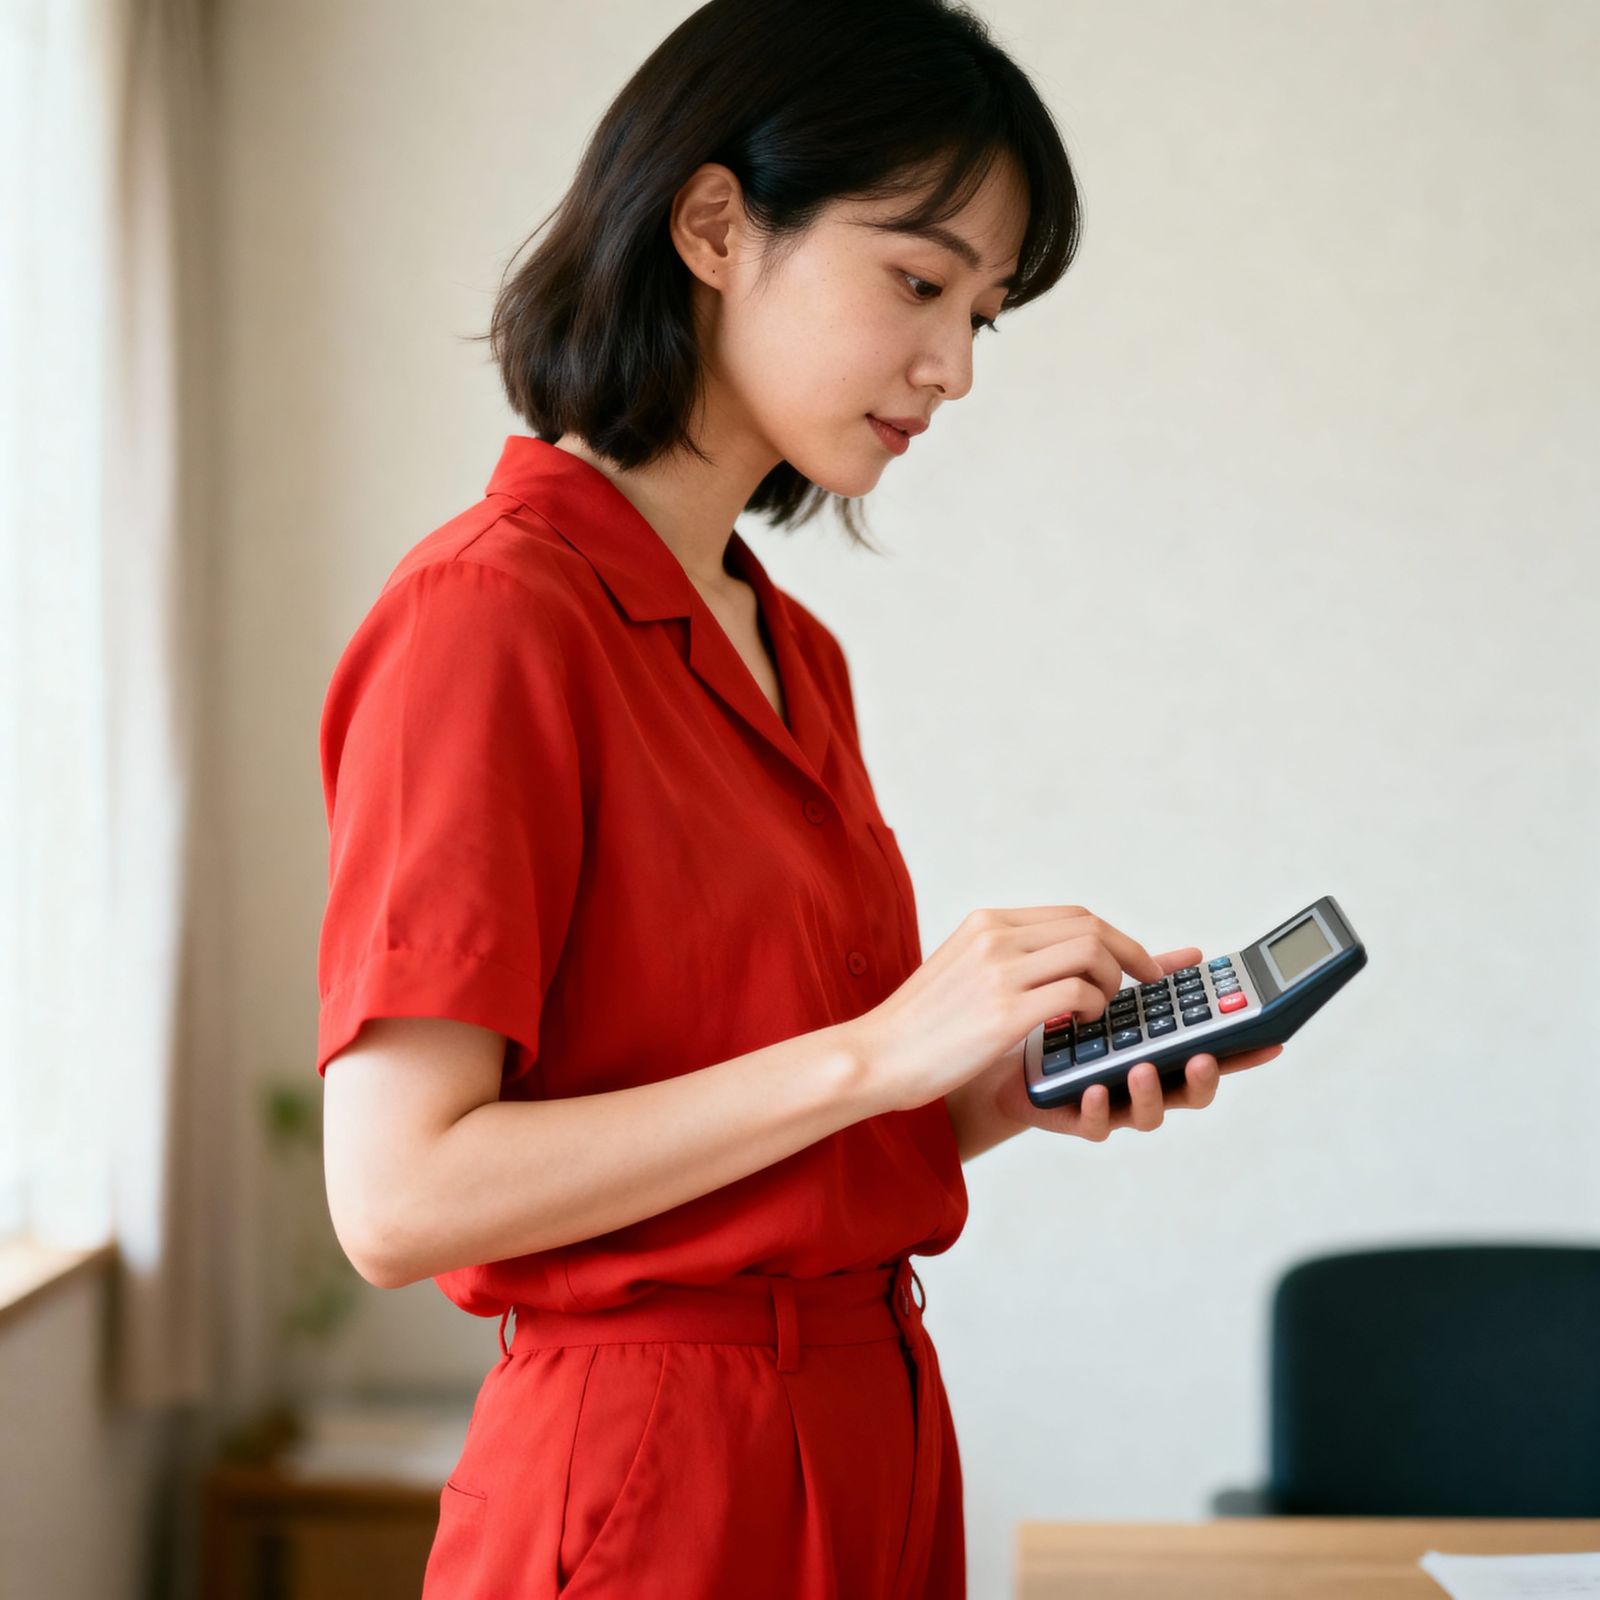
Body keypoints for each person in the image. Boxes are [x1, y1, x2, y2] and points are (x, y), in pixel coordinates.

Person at [314, 1, 1285, 1595]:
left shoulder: (787, 643)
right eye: (917, 282)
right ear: (712, 224)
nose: (954, 367)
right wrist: (879, 1049)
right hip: (653, 1478)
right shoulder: (490, 617)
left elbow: (777, 1135)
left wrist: (991, 1087)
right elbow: (402, 1195)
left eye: (986, 313)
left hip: (874, 1424)